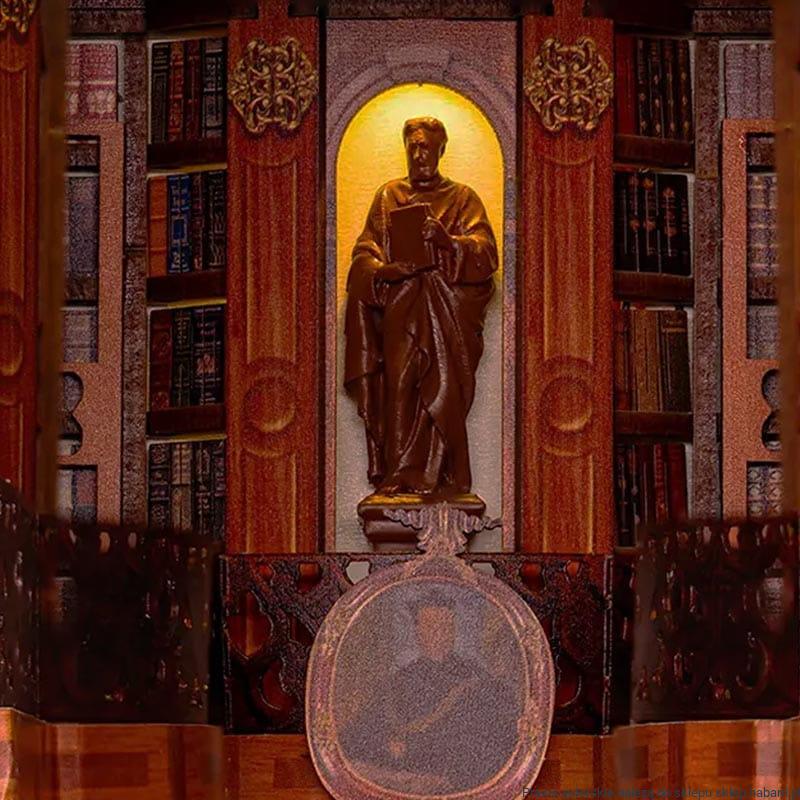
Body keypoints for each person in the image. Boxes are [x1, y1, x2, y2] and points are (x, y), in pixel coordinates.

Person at [344, 116, 498, 496]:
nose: (418, 154)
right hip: (399, 314)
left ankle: (438, 472)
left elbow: (486, 253)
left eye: (425, 147)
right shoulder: (388, 197)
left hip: (446, 318)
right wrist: (386, 271)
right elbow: (364, 255)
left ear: (441, 150)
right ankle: (399, 472)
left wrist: (449, 242)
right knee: (400, 386)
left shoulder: (462, 199)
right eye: (412, 147)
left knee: (442, 384)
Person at [337, 599, 522, 793]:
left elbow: (494, 735)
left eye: (445, 626)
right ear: (418, 632)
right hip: (401, 780)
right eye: (430, 626)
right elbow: (359, 732)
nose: (438, 633)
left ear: (453, 632)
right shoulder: (399, 680)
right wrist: (386, 745)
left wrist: (414, 748)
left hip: (453, 783)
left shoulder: (476, 679)